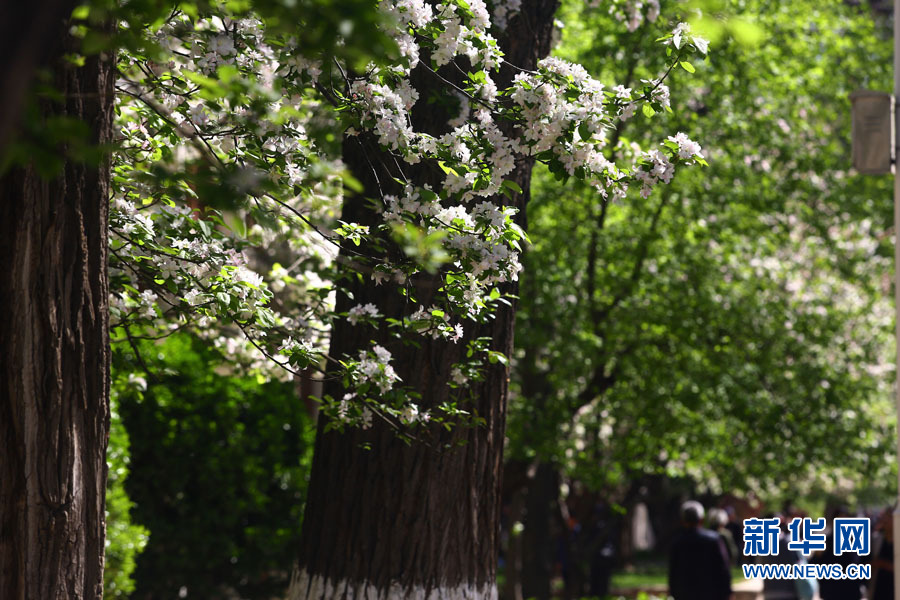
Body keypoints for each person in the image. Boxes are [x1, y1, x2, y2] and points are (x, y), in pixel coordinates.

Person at [668, 500, 733, 600]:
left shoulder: (678, 543)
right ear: (701, 519)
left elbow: (673, 573)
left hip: (685, 595)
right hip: (711, 594)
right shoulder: (714, 540)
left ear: (683, 520)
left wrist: (673, 593)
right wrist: (727, 592)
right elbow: (723, 568)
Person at [870, 509, 894, 600]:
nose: (884, 521)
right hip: (877, 587)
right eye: (884, 517)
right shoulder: (876, 540)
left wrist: (885, 564)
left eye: (888, 518)